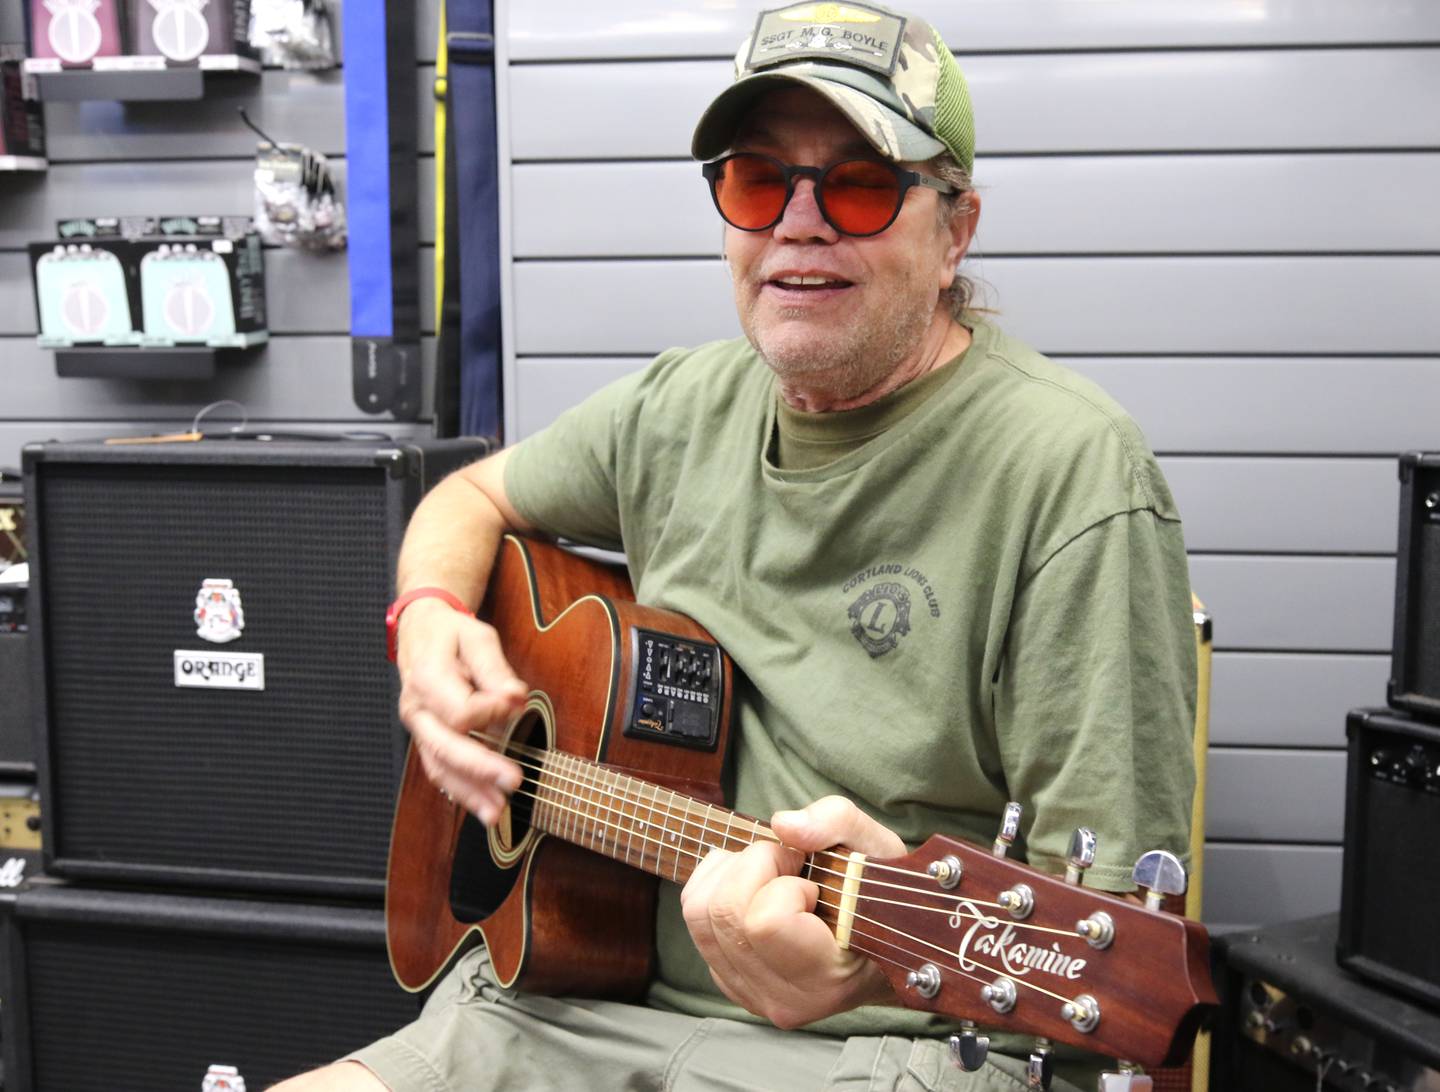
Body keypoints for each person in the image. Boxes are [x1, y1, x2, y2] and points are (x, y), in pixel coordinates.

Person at [275, 3, 1196, 1089]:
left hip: (901, 1055)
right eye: (760, 183)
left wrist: (875, 968)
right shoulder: (677, 409)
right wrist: (426, 619)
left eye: (859, 185)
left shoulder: (1074, 473)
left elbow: (1112, 965)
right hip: (573, 1007)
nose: (800, 225)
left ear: (955, 233)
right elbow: (467, 498)